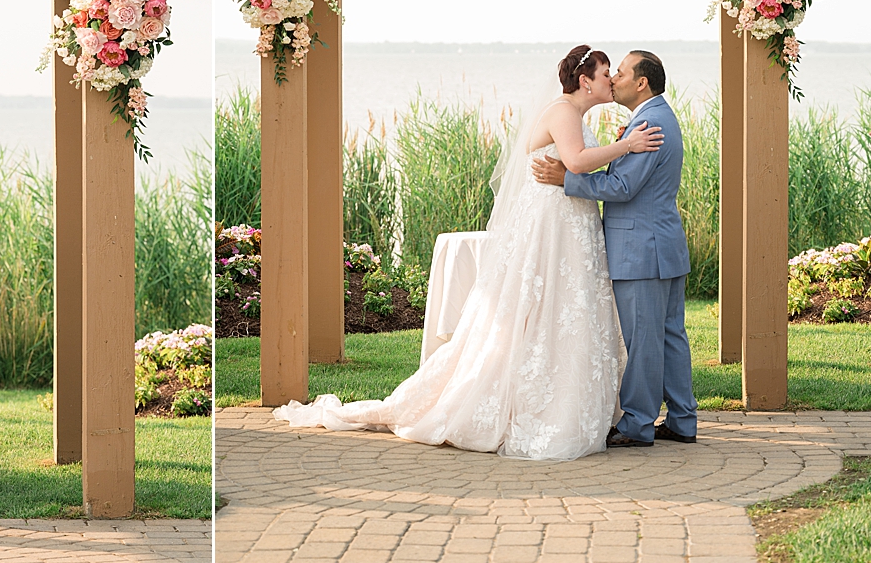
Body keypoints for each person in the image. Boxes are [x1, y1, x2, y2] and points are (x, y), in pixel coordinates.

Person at [272, 46, 658, 460]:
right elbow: (578, 162)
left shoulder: (573, 115)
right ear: (585, 81)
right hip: (552, 224)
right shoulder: (563, 111)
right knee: (541, 305)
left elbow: (574, 167)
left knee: (563, 308)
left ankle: (564, 397)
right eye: (605, 74)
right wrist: (627, 145)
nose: (610, 81)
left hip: (570, 222)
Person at [532, 50, 695, 448]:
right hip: (661, 245)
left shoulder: (650, 123)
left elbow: (622, 187)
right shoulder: (658, 117)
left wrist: (564, 181)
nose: (614, 79)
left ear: (641, 83)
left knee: (644, 340)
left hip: (642, 250)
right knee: (670, 334)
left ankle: (638, 424)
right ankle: (682, 419)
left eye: (620, 73)